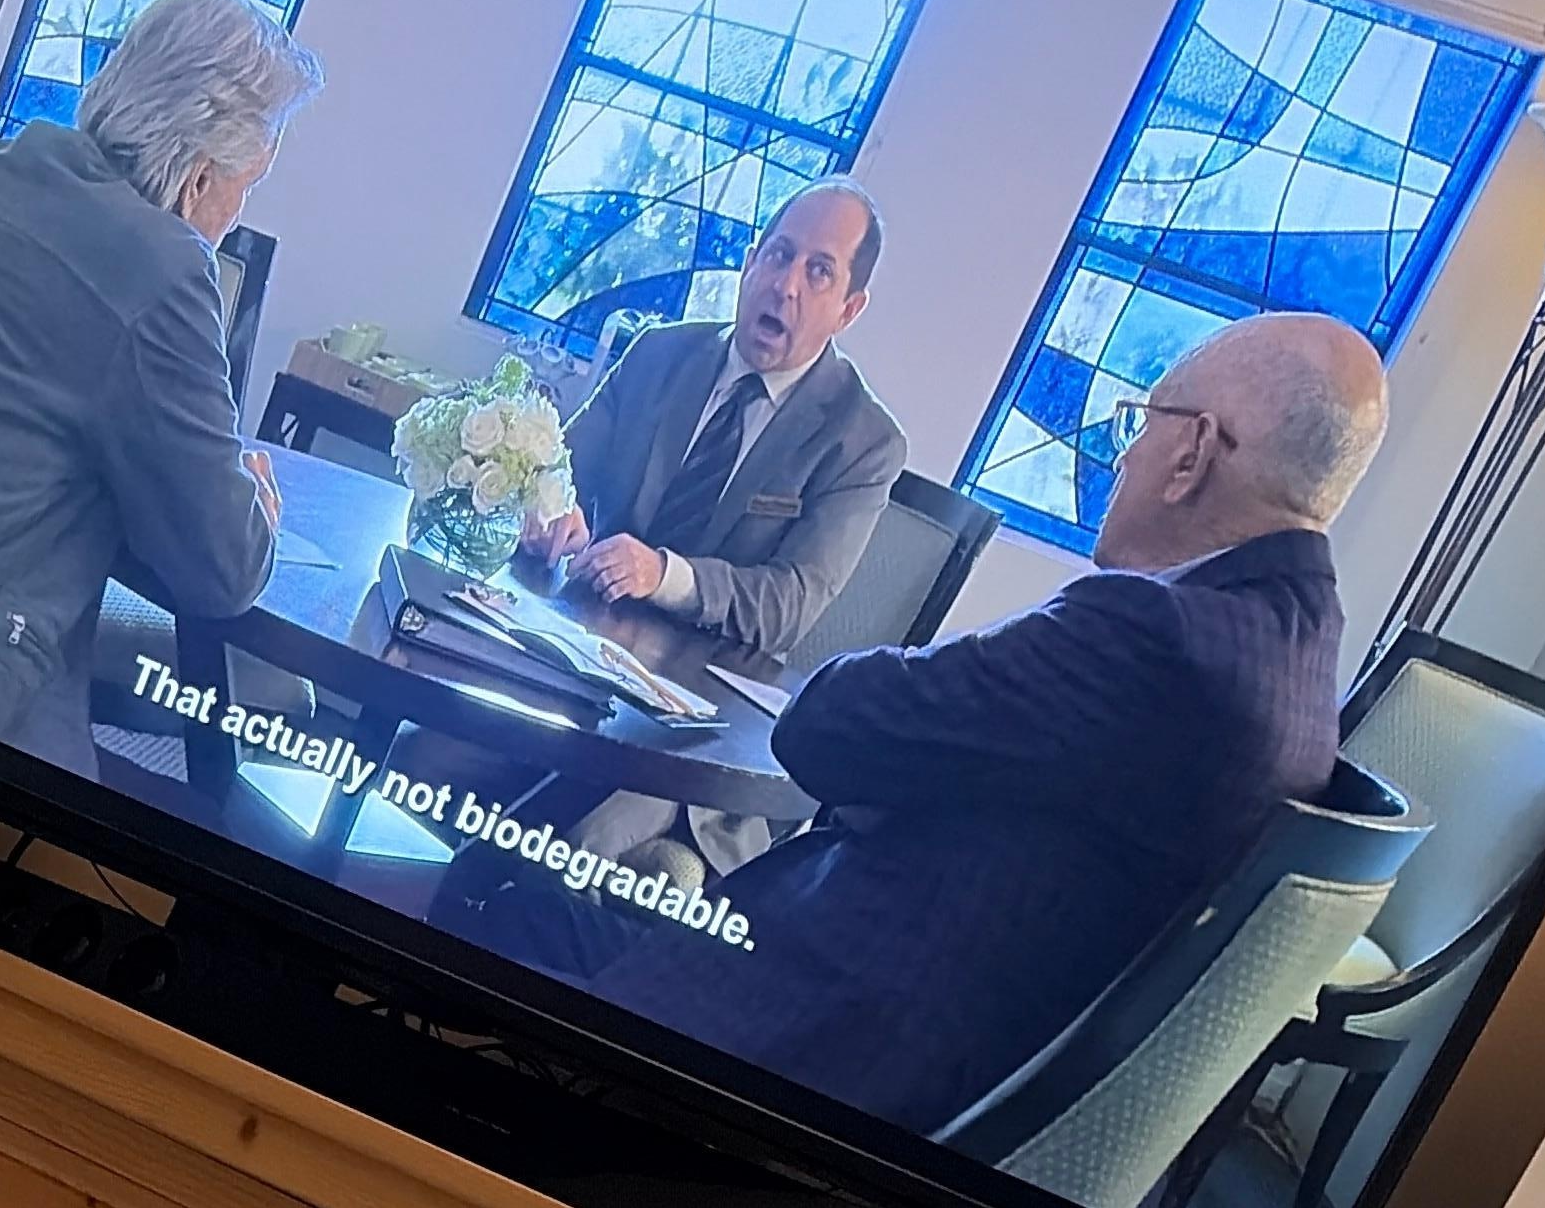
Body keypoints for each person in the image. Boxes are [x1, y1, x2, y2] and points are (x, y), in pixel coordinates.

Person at [440, 310, 1388, 1139]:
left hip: (812, 1048)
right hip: (921, 1040)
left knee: (482, 900)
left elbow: (826, 726)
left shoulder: (1150, 633)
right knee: (527, 888)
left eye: (1139, 424)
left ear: (1194, 454)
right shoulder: (1299, 655)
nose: (1126, 455)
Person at [0, 0, 323, 777]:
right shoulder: (162, 268)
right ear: (200, 176)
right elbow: (222, 571)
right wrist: (257, 506)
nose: (237, 213)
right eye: (249, 184)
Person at [526, 190, 907, 669]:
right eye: (780, 255)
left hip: (706, 679)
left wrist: (662, 574)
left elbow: (789, 605)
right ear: (749, 265)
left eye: (819, 272)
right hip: (579, 631)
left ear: (848, 310)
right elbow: (559, 470)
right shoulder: (657, 353)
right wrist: (551, 512)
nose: (786, 285)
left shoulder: (865, 443)